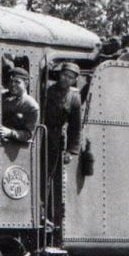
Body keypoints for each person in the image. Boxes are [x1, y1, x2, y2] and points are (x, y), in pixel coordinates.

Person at [43, 62, 85, 228]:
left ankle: (48, 215)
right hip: (42, 132)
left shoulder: (74, 98)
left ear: (74, 80)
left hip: (55, 139)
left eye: (70, 77)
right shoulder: (47, 89)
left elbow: (75, 126)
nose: (66, 79)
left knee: (50, 176)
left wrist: (70, 151)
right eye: (64, 75)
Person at [0, 67, 39, 144]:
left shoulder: (31, 105)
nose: (13, 84)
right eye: (11, 81)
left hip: (13, 147)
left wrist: (10, 133)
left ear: (26, 84)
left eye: (17, 82)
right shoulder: (1, 96)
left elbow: (28, 134)